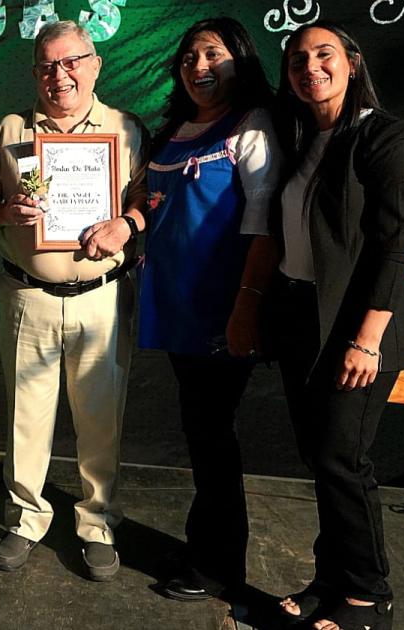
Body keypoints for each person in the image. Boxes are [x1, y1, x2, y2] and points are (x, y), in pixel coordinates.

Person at [241, 21, 404, 630]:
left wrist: (366, 340)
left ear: (353, 63)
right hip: (301, 321)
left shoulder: (386, 137)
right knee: (323, 460)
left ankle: (371, 598)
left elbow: (397, 246)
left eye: (324, 55)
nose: (309, 67)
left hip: (358, 332)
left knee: (344, 461)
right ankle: (331, 580)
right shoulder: (302, 140)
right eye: (296, 59)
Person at [0, 20, 149, 579]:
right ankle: (25, 516)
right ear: (35, 73)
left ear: (95, 65)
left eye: (72, 62)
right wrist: (4, 212)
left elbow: (149, 201)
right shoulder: (12, 128)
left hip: (101, 298)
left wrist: (128, 223)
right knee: (26, 419)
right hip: (29, 296)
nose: (59, 74)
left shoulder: (124, 128)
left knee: (100, 421)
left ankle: (97, 522)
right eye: (47, 64)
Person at [136, 18, 283, 601]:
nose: (200, 65)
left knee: (214, 436)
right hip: (177, 306)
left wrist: (245, 309)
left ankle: (220, 567)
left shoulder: (253, 125)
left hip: (224, 310)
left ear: (238, 60)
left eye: (213, 54)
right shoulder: (173, 129)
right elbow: (154, 206)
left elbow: (266, 227)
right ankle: (205, 544)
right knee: (201, 432)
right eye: (190, 56)